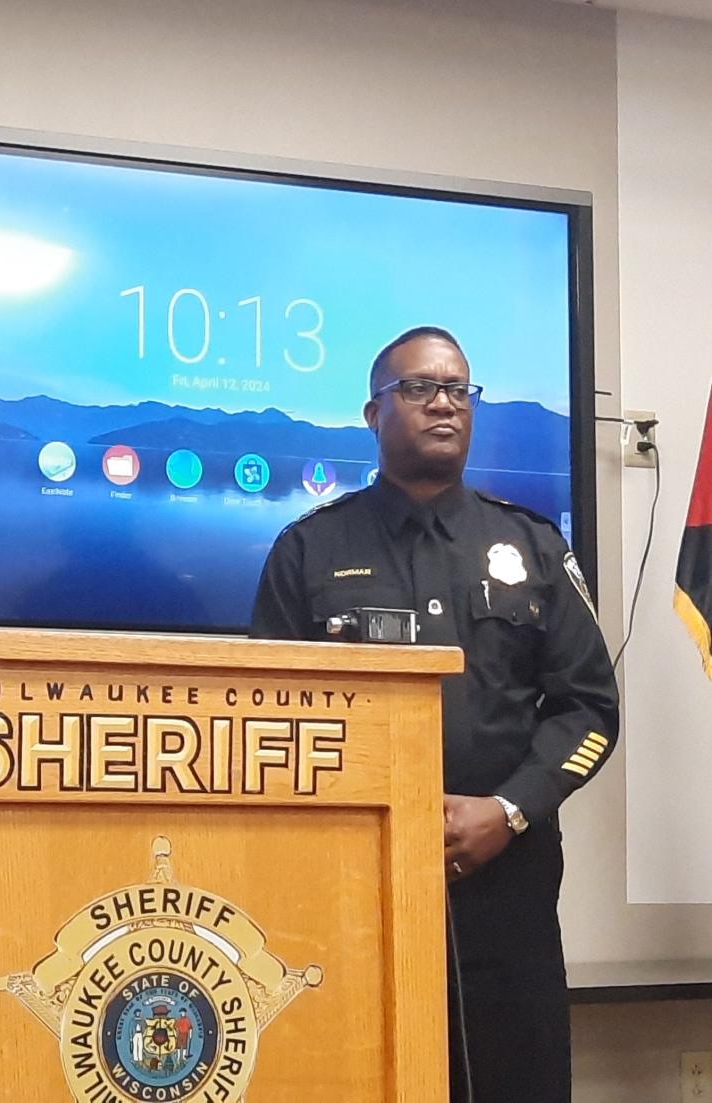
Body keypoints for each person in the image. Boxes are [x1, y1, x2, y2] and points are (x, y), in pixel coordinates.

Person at [250, 326, 618, 1103]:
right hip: (352, 893)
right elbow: (267, 723)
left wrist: (509, 810)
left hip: (505, 889)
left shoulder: (533, 545)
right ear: (373, 412)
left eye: (458, 388)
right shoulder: (309, 550)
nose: (444, 403)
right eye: (418, 388)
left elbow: (589, 707)